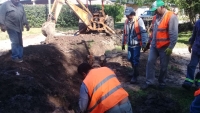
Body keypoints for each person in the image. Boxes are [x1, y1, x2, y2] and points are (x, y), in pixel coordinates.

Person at [142, 0, 178, 90]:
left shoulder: (171, 16)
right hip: (154, 45)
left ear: (162, 7)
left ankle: (162, 82)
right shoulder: (155, 17)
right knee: (150, 62)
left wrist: (171, 47)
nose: (155, 11)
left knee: (163, 66)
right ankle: (149, 82)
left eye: (156, 9)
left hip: (165, 47)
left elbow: (174, 34)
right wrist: (148, 44)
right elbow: (153, 32)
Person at [122, 7, 148, 84]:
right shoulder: (126, 21)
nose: (127, 16)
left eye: (128, 15)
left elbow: (143, 32)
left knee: (135, 60)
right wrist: (123, 43)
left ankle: (135, 76)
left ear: (132, 14)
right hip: (130, 44)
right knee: (130, 59)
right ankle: (135, 72)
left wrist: (144, 43)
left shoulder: (139, 20)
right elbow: (124, 32)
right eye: (126, 15)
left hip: (136, 44)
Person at [182, 19, 200, 90]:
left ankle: (198, 82)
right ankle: (188, 82)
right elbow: (194, 34)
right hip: (196, 48)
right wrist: (191, 43)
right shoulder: (198, 22)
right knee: (192, 65)